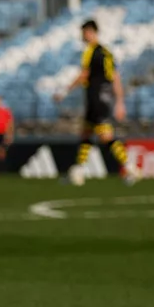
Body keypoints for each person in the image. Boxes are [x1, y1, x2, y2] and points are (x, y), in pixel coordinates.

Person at [56, 19, 136, 186]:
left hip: (96, 97)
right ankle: (78, 171)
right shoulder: (107, 52)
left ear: (91, 32)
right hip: (104, 98)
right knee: (86, 133)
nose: (82, 36)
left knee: (105, 136)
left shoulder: (91, 51)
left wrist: (65, 90)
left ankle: (130, 167)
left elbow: (84, 74)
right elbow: (115, 77)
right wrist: (120, 102)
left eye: (84, 33)